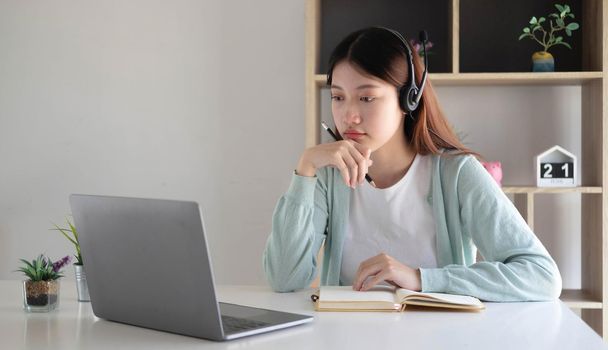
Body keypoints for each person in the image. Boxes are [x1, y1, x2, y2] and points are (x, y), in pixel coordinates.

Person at [263, 27, 562, 301]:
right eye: (338, 97)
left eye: (366, 98)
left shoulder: (455, 173)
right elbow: (284, 278)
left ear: (409, 99)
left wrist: (422, 279)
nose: (348, 116)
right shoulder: (328, 176)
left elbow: (542, 276)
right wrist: (306, 169)